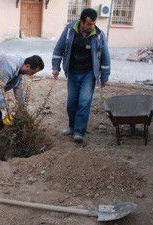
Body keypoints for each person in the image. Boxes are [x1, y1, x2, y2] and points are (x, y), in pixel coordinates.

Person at [52, 8, 111, 143]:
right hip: (73, 72)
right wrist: (56, 67)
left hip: (89, 74)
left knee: (84, 101)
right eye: (89, 24)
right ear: (82, 22)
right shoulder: (69, 30)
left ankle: (79, 131)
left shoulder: (99, 35)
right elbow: (58, 49)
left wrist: (105, 77)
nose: (92, 26)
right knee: (71, 103)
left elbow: (105, 58)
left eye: (94, 23)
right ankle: (72, 127)